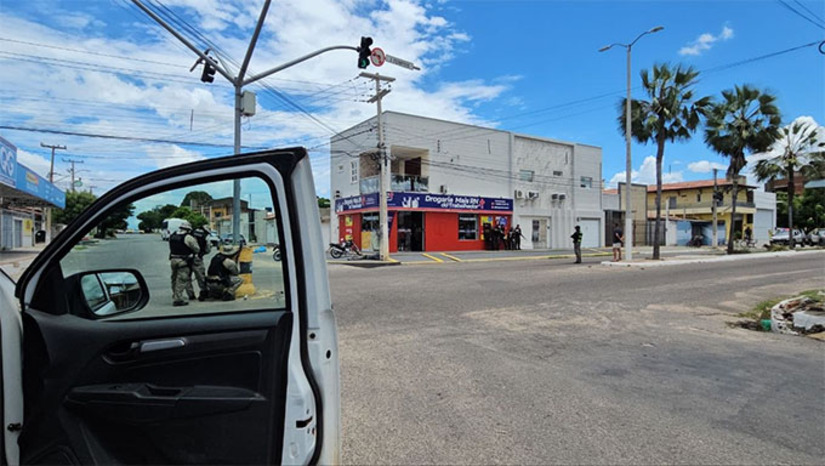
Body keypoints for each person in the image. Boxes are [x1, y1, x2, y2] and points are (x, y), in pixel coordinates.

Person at [168, 220, 199, 307]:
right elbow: (197, 249)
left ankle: (175, 295)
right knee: (181, 280)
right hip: (183, 261)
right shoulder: (188, 237)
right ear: (188, 229)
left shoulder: (172, 236)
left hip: (173, 259)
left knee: (174, 279)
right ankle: (178, 299)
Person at [190, 224, 212, 301]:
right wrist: (202, 253)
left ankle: (190, 294)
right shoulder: (205, 236)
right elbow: (208, 249)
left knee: (186, 277)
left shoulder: (191, 232)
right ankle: (204, 292)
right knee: (200, 276)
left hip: (186, 257)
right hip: (197, 258)